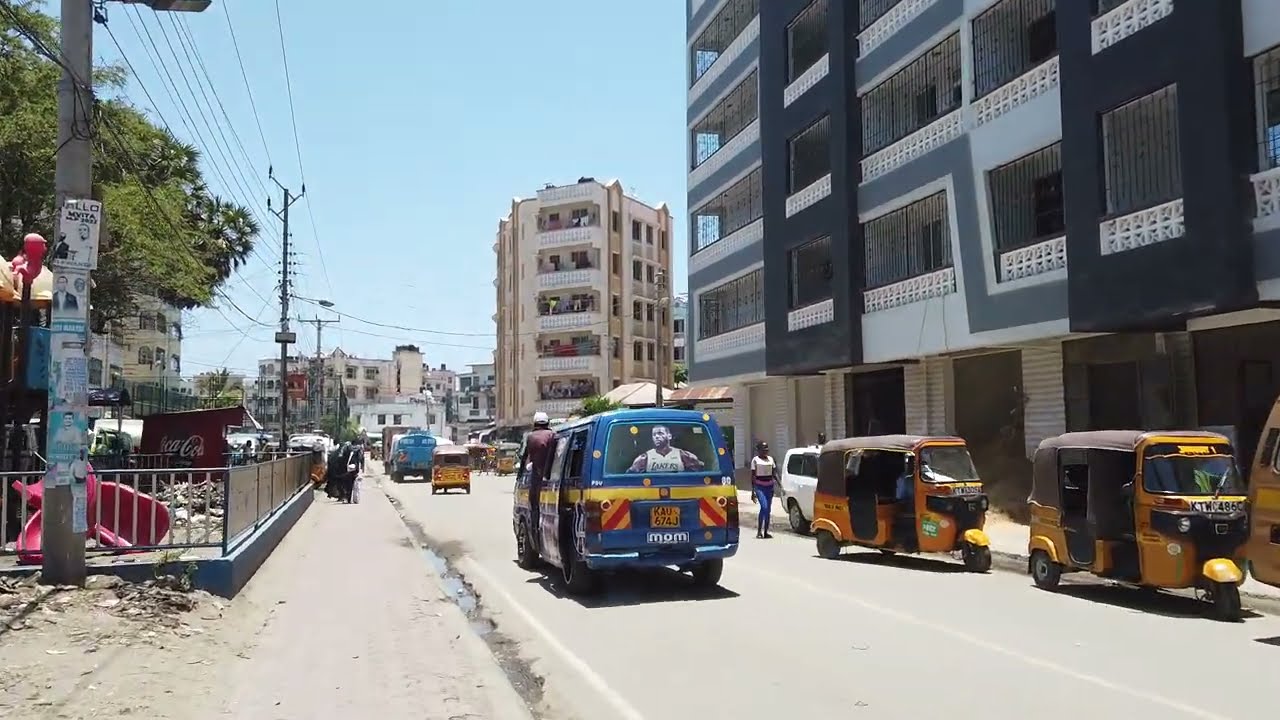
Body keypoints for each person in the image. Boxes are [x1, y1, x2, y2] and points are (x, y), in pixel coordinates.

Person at [521, 412, 557, 520]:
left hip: (537, 475)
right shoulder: (553, 435)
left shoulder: (531, 437)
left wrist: (520, 472)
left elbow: (526, 456)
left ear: (535, 423)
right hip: (553, 474)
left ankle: (535, 524)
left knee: (534, 504)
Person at [626, 425, 705, 472]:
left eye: (660, 433)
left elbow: (702, 470)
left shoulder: (682, 455)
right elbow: (629, 477)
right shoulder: (644, 458)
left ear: (669, 436)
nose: (656, 436)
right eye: (654, 435)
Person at [749, 442, 778, 539]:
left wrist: (780, 484)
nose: (766, 450)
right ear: (759, 450)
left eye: (767, 448)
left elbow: (774, 473)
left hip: (769, 487)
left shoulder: (771, 459)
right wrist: (753, 492)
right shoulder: (755, 460)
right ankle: (759, 531)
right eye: (763, 449)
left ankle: (765, 532)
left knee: (768, 510)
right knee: (764, 507)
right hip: (759, 487)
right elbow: (753, 476)